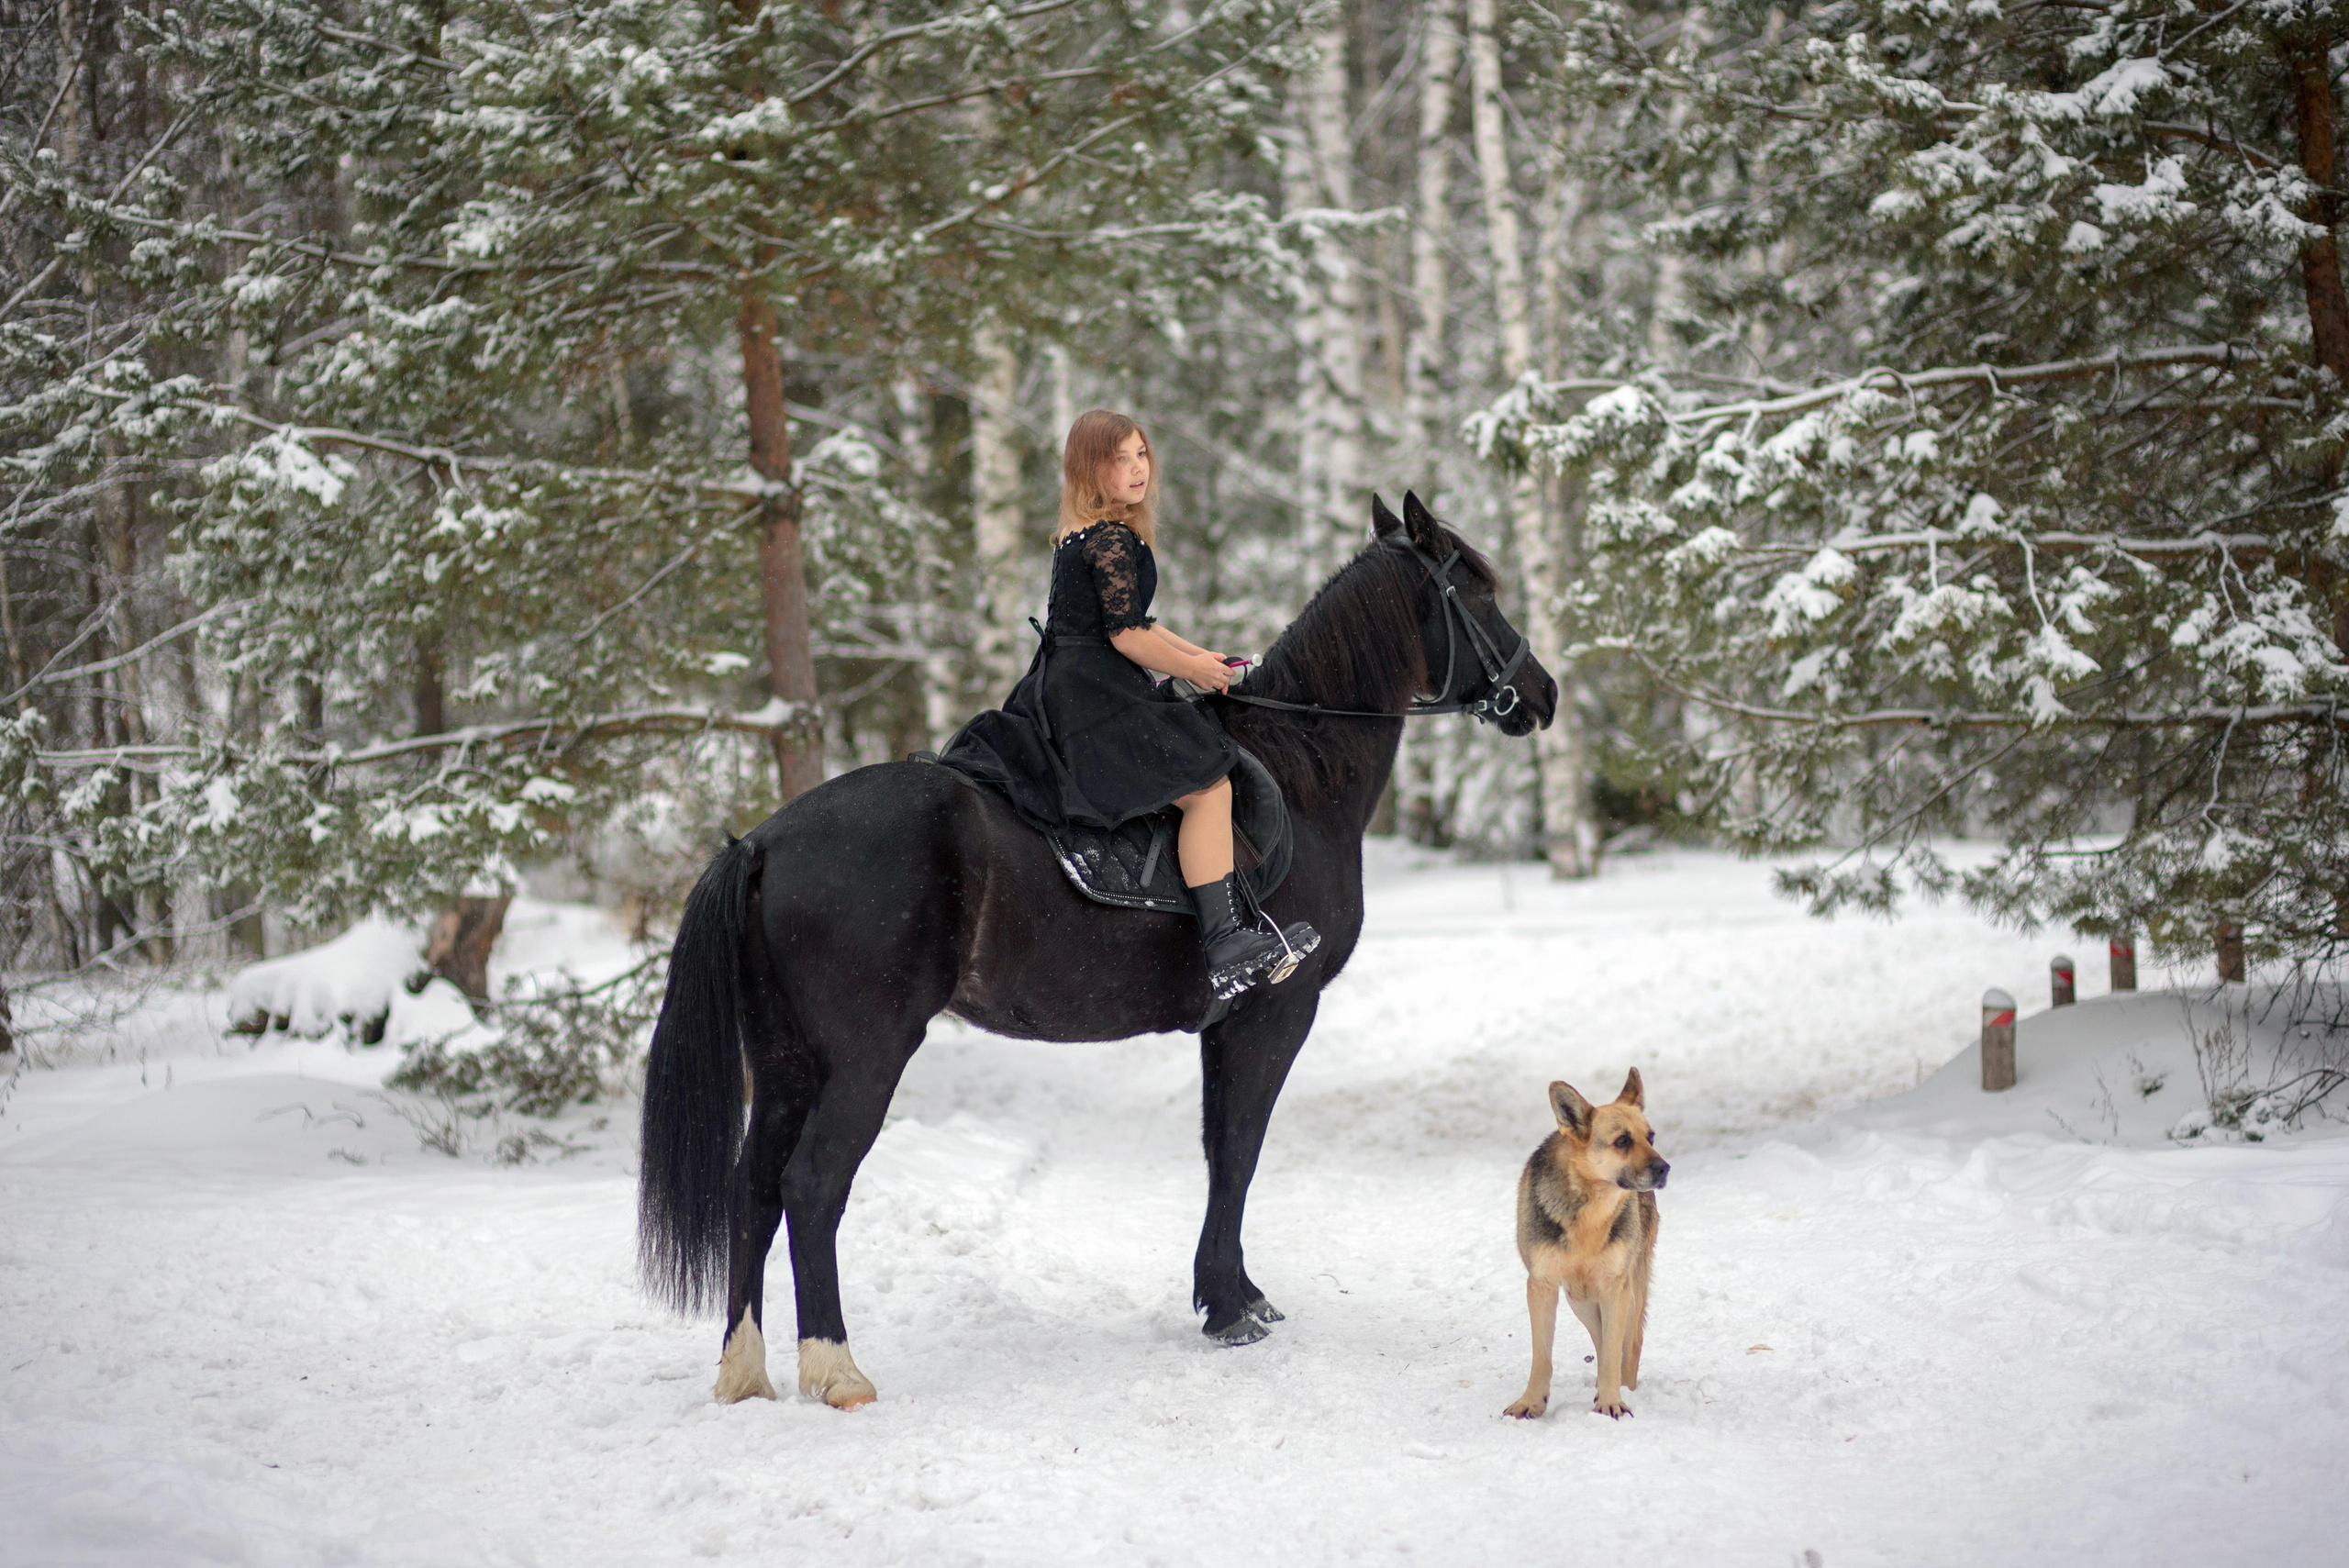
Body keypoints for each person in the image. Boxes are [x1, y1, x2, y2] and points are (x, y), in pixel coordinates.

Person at [939, 408, 1318, 998]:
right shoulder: (1113, 540)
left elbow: (1139, 624)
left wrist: (1205, 658)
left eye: (1141, 454)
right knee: (1209, 789)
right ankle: (1225, 941)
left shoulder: (1082, 534)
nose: (1137, 468)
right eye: (1120, 459)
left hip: (1071, 686)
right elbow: (1126, 636)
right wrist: (1192, 668)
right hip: (1094, 698)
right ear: (1091, 470)